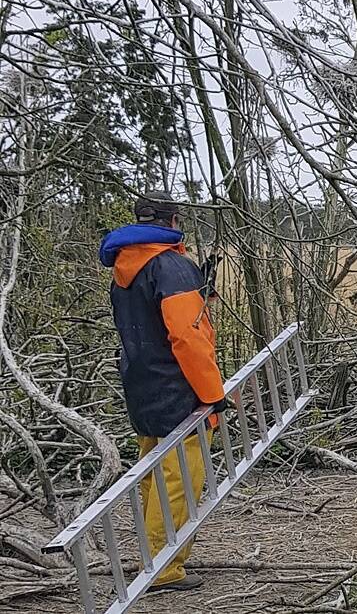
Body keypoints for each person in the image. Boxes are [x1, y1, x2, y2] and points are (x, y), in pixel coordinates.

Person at [98, 192, 226, 593]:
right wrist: (212, 394)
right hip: (178, 389)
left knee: (153, 475)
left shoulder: (124, 269)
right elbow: (188, 339)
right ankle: (164, 568)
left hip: (140, 385)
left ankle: (149, 557)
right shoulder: (172, 267)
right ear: (173, 222)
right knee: (181, 480)